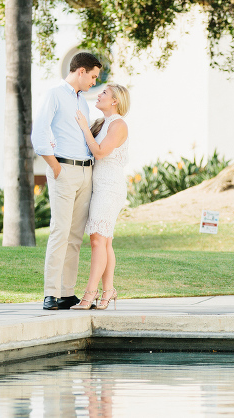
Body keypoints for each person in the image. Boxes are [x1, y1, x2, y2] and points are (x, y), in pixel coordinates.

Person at [31, 52, 102, 310]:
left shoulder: (82, 102)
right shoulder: (53, 94)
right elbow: (39, 130)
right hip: (64, 169)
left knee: (74, 236)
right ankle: (50, 293)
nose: (95, 82)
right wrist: (54, 166)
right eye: (93, 76)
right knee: (60, 232)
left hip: (86, 172)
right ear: (80, 71)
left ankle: (66, 293)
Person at [72, 82, 130, 310]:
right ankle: (108, 292)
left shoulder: (119, 124)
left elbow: (100, 151)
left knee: (97, 240)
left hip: (110, 188)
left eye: (104, 93)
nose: (99, 95)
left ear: (115, 100)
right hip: (100, 187)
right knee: (104, 241)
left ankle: (89, 294)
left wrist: (85, 127)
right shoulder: (104, 123)